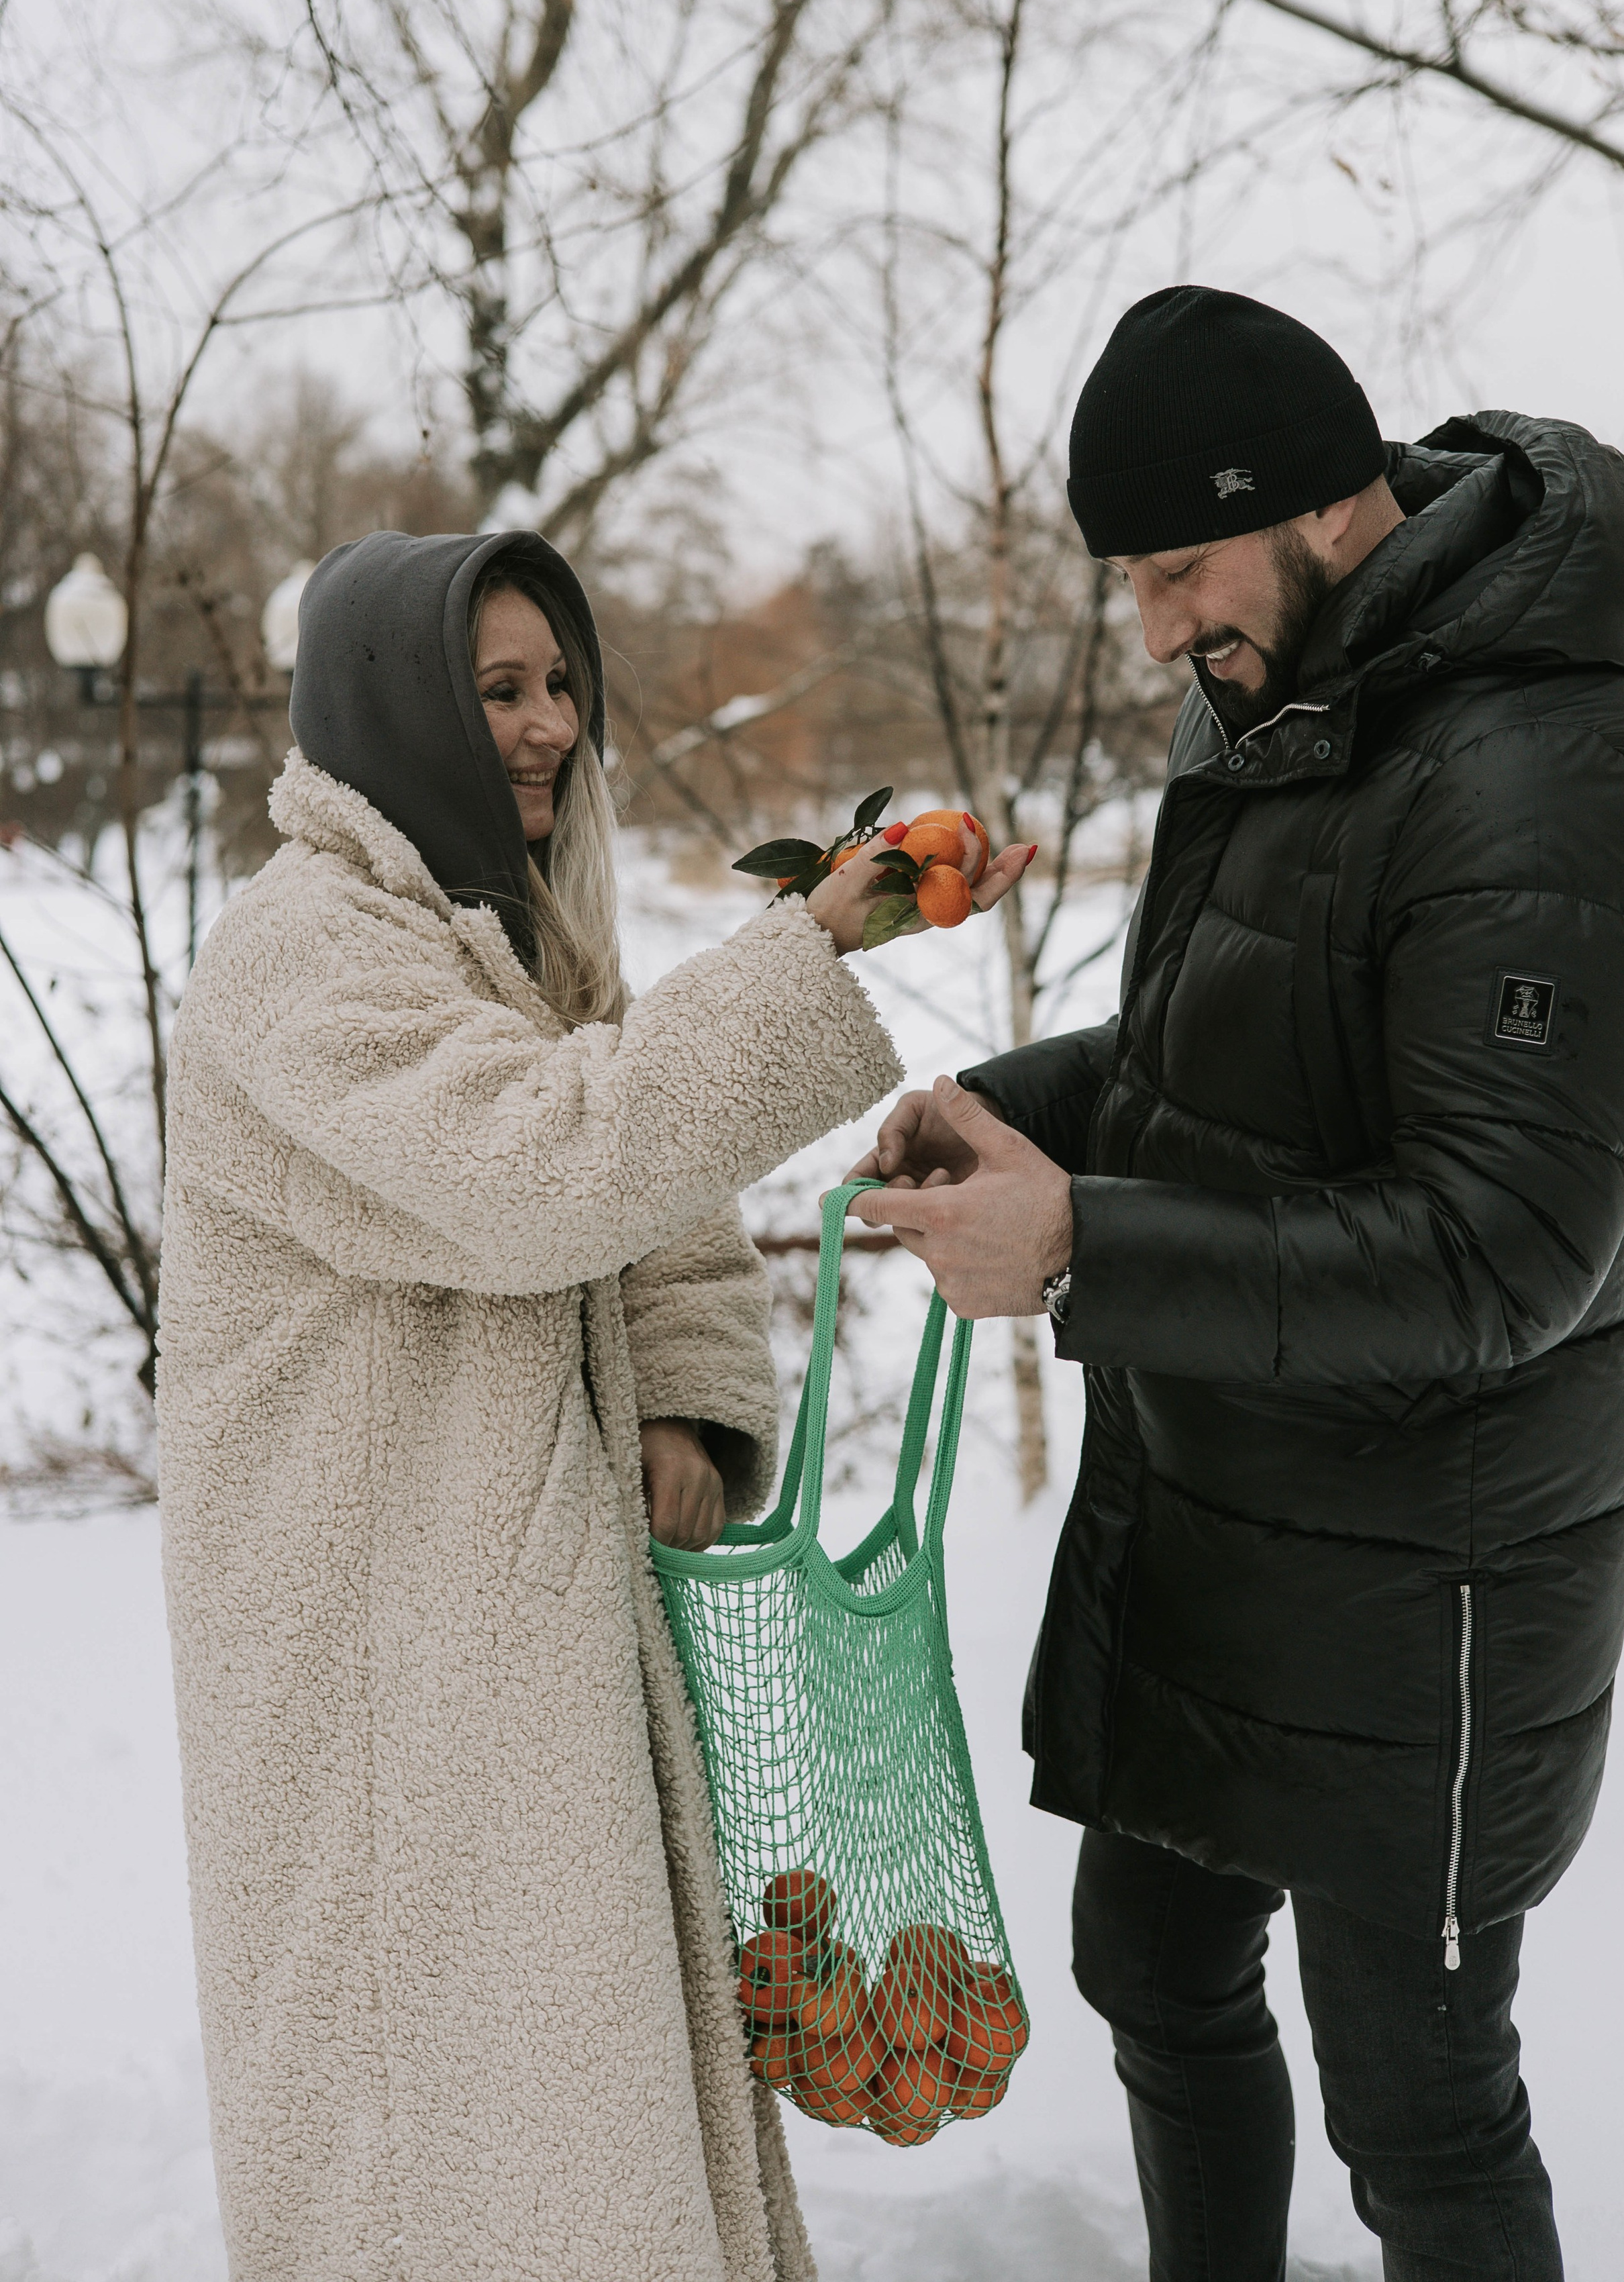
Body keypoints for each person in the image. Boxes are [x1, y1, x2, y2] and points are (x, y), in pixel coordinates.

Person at [848, 287, 1624, 2281]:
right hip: (1217, 1509)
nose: (1153, 626)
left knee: (1419, 2120)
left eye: (1178, 569)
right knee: (1149, 1970)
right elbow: (1215, 1056)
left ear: (1328, 506)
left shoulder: (1547, 776)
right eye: (1133, 581)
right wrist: (1007, 1110)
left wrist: (1078, 1241)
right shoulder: (1274, 687)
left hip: (1426, 1587)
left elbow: (1502, 1247)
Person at [155, 526, 1027, 2282]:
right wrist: (816, 939)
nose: (550, 722)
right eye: (500, 689)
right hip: (382, 1715)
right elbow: (547, 1167)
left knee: (578, 2158)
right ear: (395, 708)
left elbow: (662, 1215)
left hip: (512, 1670)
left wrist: (694, 1417)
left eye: (562, 684)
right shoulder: (302, 956)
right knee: (451, 2181)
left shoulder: (501, 937)